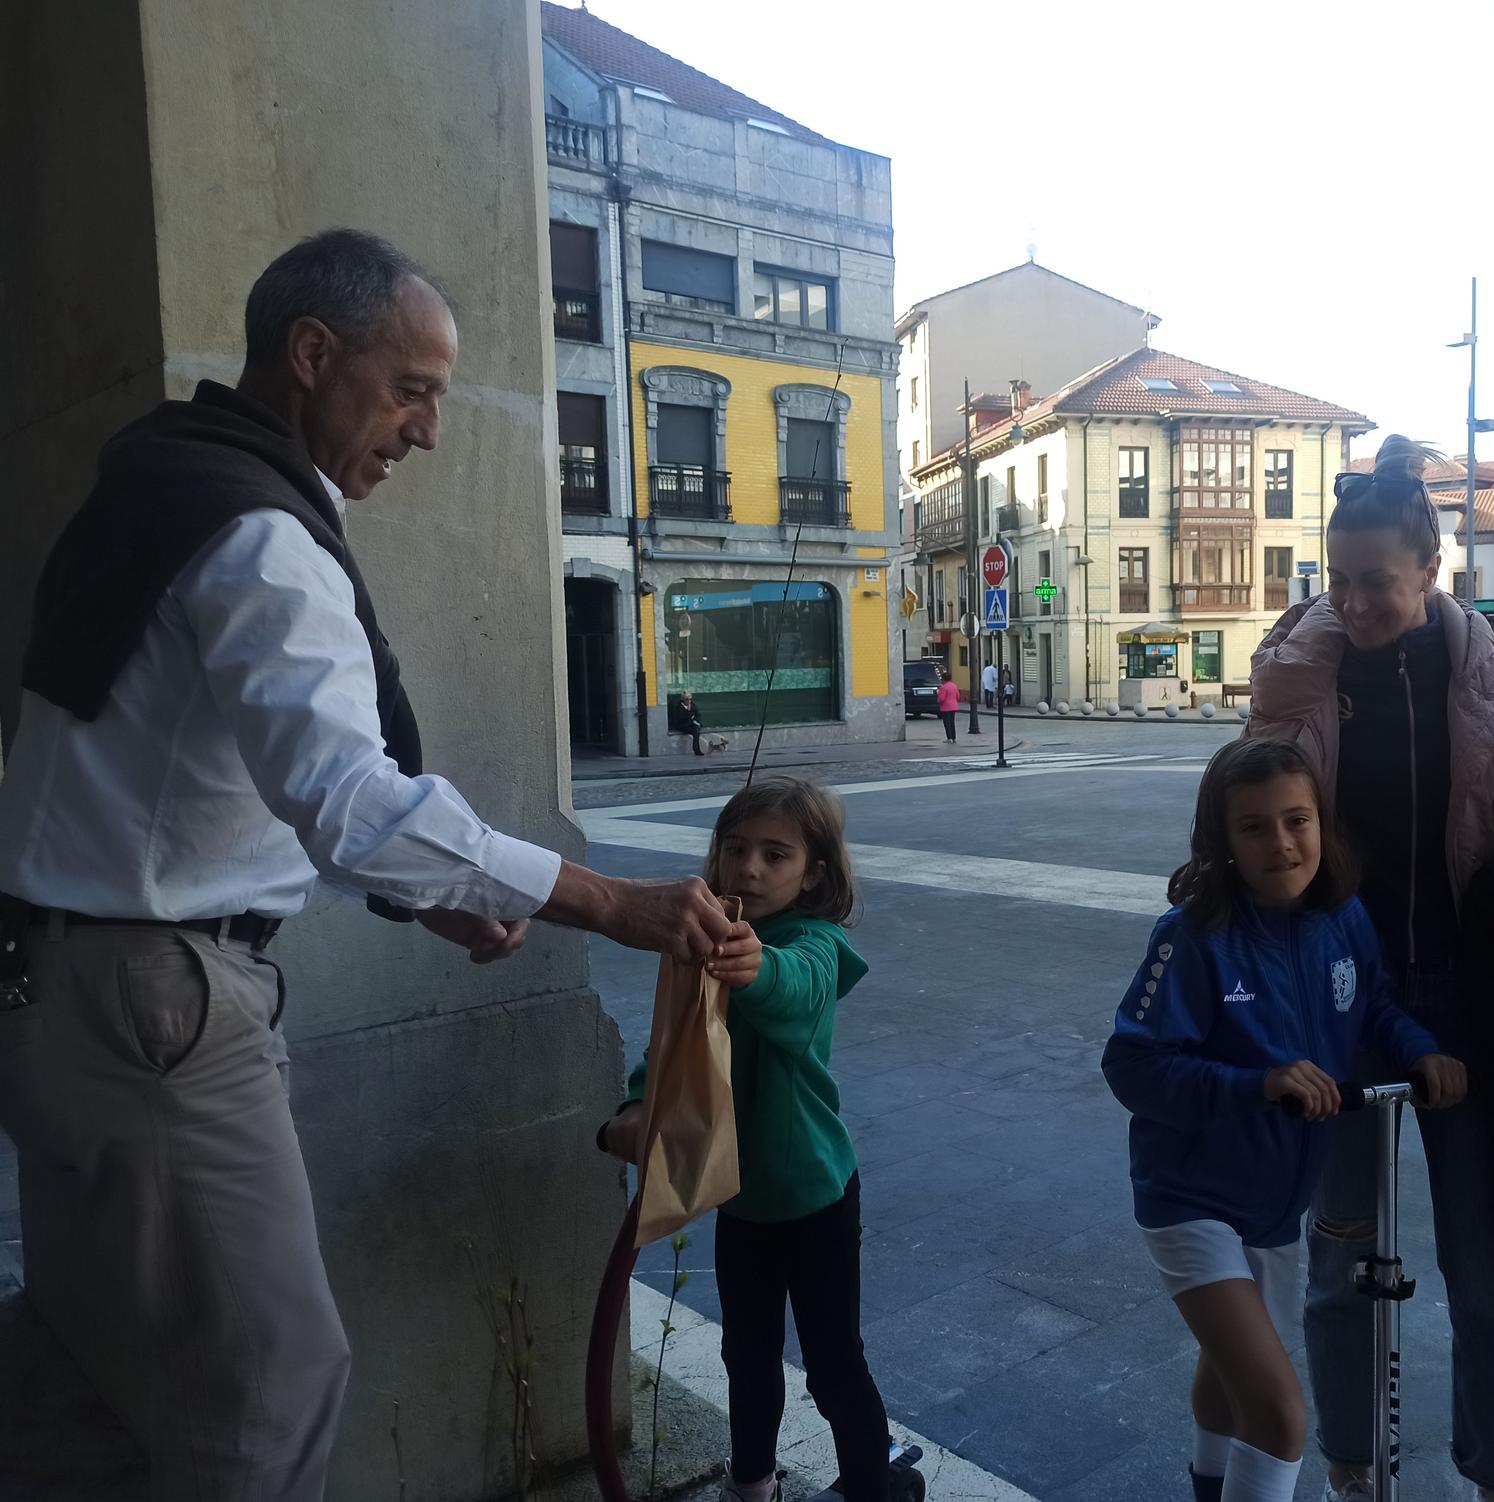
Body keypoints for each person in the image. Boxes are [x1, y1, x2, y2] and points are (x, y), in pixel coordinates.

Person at [0, 229, 734, 1502]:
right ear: (311, 352)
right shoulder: (259, 534)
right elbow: (346, 798)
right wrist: (608, 899)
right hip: (158, 1010)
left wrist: (426, 891)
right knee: (273, 1379)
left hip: (66, 984)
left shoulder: (161, 480)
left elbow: (201, 786)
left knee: (102, 1359)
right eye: (413, 387)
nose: (429, 430)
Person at [1247, 435, 1494, 1502]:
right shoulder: (1294, 674)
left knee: (1487, 1269)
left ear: (1428, 571)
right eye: (1340, 580)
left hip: (1473, 1005)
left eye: (1378, 580)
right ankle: (1349, 1470)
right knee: (1337, 1266)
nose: (1358, 603)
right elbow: (1244, 803)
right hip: (1334, 1000)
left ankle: (1493, 1477)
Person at [1102, 737, 1467, 1502]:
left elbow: (1371, 1009)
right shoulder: (1193, 936)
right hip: (1192, 1199)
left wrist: (1422, 1051)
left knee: (1230, 1375)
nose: (1281, 843)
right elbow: (1132, 1066)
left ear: (1323, 827)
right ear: (1221, 840)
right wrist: (1257, 1084)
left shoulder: (1342, 918)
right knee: (1278, 1413)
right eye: (1254, 826)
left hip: (1276, 1205)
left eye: (1297, 821)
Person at [601, 777, 893, 1502]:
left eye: (775, 854)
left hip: (816, 1195)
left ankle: (871, 1486)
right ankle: (752, 1483)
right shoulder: (709, 940)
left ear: (814, 872)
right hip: (742, 1198)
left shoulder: (813, 943)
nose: (750, 869)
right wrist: (639, 1105)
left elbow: (798, 987)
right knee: (747, 1353)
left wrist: (757, 965)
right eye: (736, 850)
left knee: (832, 1364)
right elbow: (671, 1043)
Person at [670, 686, 706, 756]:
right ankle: (696, 749)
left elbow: (697, 714)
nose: (689, 701)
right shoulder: (679, 707)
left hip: (691, 724)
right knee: (695, 730)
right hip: (683, 725)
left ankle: (696, 749)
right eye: (687, 699)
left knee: (696, 729)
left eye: (690, 699)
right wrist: (690, 716)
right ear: (683, 699)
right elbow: (681, 717)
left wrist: (695, 721)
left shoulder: (693, 705)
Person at [937, 669, 960, 743]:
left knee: (947, 723)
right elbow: (958, 696)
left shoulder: (943, 687)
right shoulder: (954, 686)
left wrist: (938, 699)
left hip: (946, 707)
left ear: (943, 679)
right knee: (952, 722)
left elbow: (941, 698)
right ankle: (954, 738)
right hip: (954, 706)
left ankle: (949, 738)